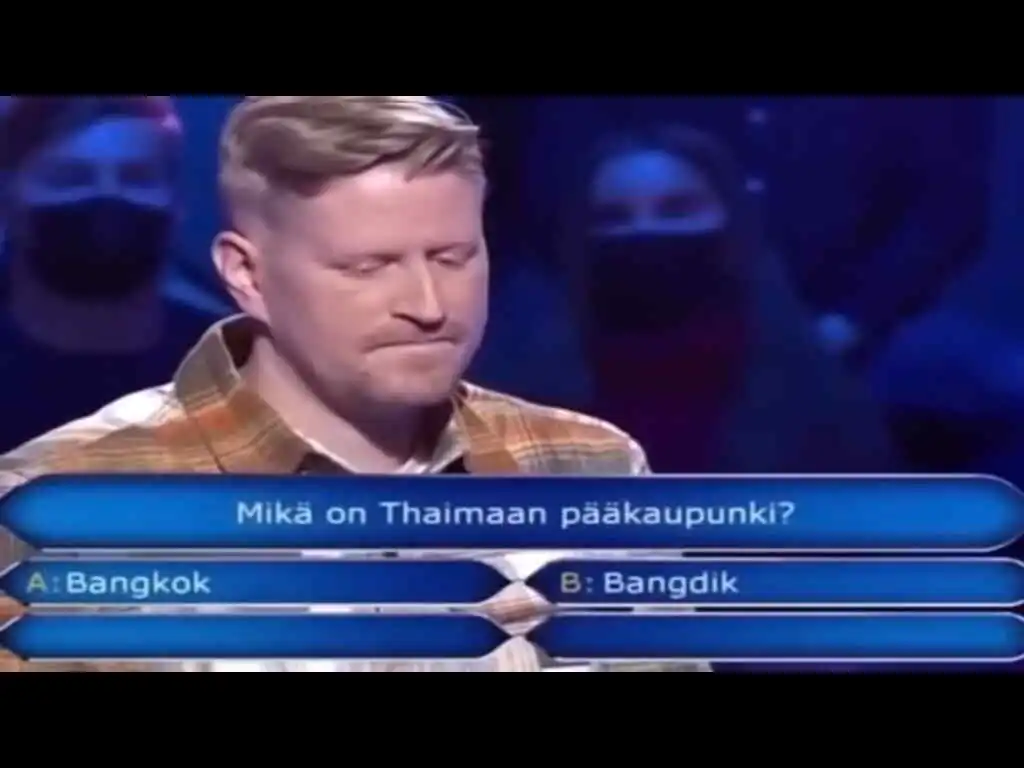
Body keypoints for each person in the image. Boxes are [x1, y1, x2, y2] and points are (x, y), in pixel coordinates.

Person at [0, 96, 706, 673]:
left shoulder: (588, 471)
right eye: (369, 267)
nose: (428, 304)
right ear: (247, 275)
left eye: (453, 257)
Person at [557, 124, 895, 473]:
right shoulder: (539, 384)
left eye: (676, 210)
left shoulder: (814, 391)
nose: (645, 231)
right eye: (614, 217)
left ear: (730, 219)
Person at [0, 97, 220, 452]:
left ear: (177, 205)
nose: (108, 196)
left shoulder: (233, 365)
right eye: (71, 177)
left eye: (136, 177)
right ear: (9, 202)